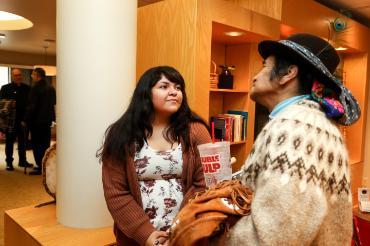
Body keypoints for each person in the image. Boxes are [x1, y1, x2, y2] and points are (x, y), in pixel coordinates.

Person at [225, 34, 361, 245]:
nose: (255, 76)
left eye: (264, 66)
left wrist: (217, 233)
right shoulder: (310, 122)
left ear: (288, 73)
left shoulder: (296, 127)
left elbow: (274, 237)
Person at [99, 66, 211, 246]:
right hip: (137, 237)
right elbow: (116, 192)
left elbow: (204, 184)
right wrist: (147, 235)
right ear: (145, 93)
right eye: (164, 86)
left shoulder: (197, 131)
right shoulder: (121, 134)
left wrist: (179, 227)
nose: (174, 92)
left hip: (188, 232)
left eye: (178, 87)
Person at [23, 68, 56, 175]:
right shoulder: (51, 88)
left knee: (36, 144)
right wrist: (52, 118)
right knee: (45, 143)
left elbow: (32, 106)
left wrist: (25, 119)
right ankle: (45, 165)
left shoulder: (35, 88)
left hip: (36, 122)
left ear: (37, 75)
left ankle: (39, 166)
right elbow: (53, 104)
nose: (32, 77)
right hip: (47, 121)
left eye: (33, 75)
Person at [0, 68, 33, 171]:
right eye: (16, 75)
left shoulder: (27, 88)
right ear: (12, 76)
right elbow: (1, 103)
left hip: (23, 119)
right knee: (9, 142)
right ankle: (9, 162)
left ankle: (22, 161)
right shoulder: (5, 88)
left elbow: (30, 103)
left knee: (23, 142)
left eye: (19, 75)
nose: (18, 77)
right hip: (11, 120)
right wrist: (9, 103)